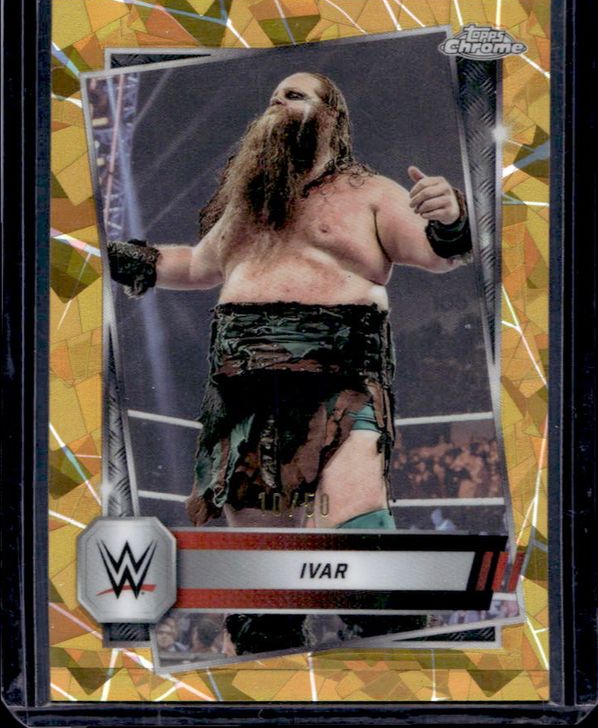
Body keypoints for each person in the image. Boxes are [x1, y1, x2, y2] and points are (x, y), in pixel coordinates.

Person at [108, 71, 472, 532]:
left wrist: (450, 217)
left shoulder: (371, 192)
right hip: (243, 389)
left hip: (338, 380)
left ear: (331, 117)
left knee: (355, 527)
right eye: (273, 97)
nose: (277, 102)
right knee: (264, 553)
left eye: (294, 95)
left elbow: (437, 253)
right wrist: (118, 257)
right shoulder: (247, 205)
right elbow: (197, 264)